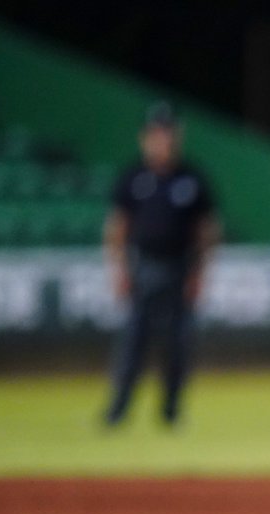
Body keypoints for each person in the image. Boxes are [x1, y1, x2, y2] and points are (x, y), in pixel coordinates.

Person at [102, 101, 220, 428]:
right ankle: (118, 411)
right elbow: (117, 228)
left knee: (177, 346)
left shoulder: (192, 178)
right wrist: (120, 272)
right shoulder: (133, 176)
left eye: (168, 133)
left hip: (180, 270)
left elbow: (207, 230)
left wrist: (199, 273)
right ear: (145, 138)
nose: (163, 140)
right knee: (132, 343)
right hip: (143, 269)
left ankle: (170, 411)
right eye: (157, 133)